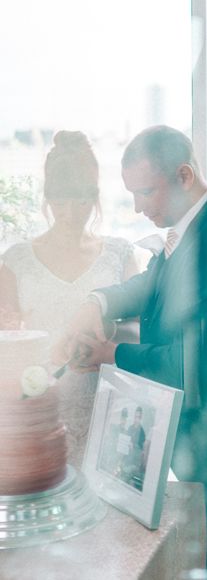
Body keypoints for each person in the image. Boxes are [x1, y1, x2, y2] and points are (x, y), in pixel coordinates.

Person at [58, 125, 207, 578]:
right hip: (186, 426)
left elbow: (186, 362)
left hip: (204, 430)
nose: (137, 207)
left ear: (184, 175)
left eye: (146, 192)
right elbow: (152, 284)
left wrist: (111, 353)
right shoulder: (190, 225)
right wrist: (99, 300)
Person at [0, 130, 138, 467]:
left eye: (82, 200)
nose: (71, 213)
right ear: (47, 199)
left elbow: (140, 332)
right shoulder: (16, 261)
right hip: (39, 416)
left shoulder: (119, 254)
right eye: (61, 201)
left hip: (107, 409)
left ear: (96, 198)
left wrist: (105, 341)